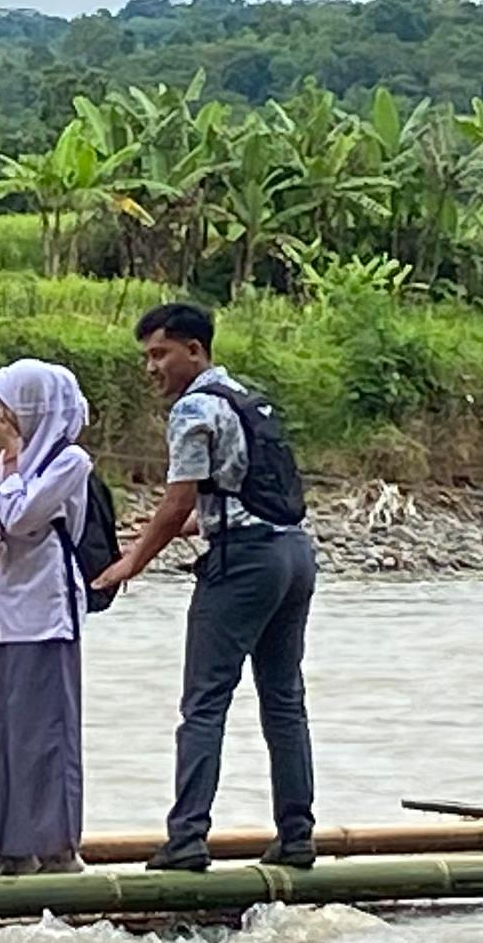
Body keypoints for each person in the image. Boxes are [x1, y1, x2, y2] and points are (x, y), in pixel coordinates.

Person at [91, 302, 316, 871]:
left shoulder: (194, 407)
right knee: (284, 701)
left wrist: (130, 562)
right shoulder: (248, 398)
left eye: (160, 354)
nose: (151, 368)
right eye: (146, 356)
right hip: (293, 554)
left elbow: (178, 502)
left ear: (195, 351)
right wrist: (184, 525)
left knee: (204, 704)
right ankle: (297, 835)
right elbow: (239, 495)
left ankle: (187, 838)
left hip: (242, 567)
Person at [0, 357, 97, 875]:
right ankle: (11, 845)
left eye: (10, 408)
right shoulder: (11, 466)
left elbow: (21, 518)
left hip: (48, 610)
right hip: (10, 610)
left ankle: (57, 846)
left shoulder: (70, 462)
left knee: (48, 730)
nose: (0, 418)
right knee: (7, 731)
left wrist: (11, 458)